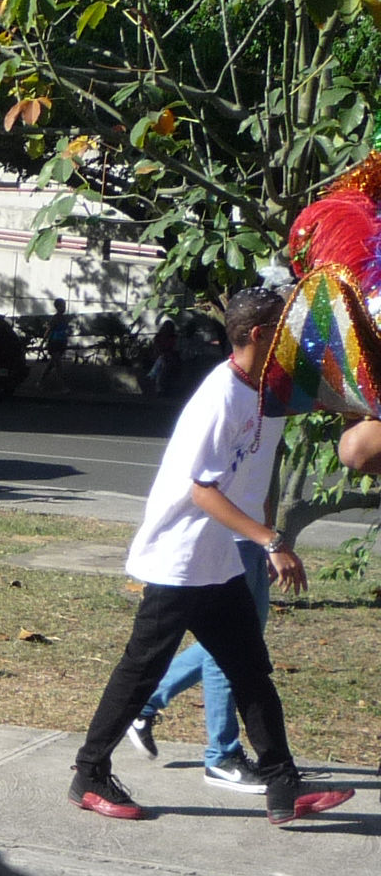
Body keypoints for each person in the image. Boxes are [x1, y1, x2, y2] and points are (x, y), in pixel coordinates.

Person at [68, 285, 353, 826]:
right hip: (178, 560)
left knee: (250, 670)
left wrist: (261, 533)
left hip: (218, 559)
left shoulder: (268, 392)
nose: (297, 341)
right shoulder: (220, 397)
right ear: (262, 336)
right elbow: (202, 489)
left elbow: (258, 470)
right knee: (140, 671)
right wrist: (272, 542)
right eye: (288, 331)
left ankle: (282, 784)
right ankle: (89, 773)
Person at [123, 540, 273, 792]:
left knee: (240, 641)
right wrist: (273, 542)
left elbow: (260, 500)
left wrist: (265, 542)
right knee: (229, 645)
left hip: (250, 543)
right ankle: (221, 757)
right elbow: (211, 499)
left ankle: (144, 702)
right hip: (230, 544)